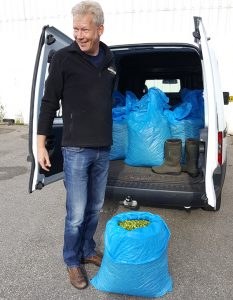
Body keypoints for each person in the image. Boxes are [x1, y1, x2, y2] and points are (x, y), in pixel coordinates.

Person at [37, 1, 116, 290]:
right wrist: (41, 143)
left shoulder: (110, 60)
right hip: (75, 149)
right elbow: (48, 102)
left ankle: (86, 249)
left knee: (95, 208)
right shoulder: (63, 58)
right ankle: (72, 260)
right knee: (77, 213)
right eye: (75, 29)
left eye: (84, 29)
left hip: (103, 147)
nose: (79, 35)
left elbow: (108, 98)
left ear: (99, 29)